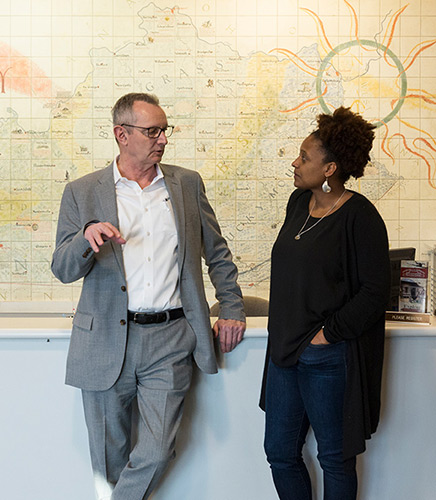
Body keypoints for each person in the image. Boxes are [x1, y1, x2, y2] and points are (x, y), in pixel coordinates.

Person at [51, 92, 246, 500]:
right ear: (122, 134)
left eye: (164, 130)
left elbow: (218, 252)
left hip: (170, 338)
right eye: (152, 131)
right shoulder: (82, 191)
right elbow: (63, 269)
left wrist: (231, 306)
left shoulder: (185, 184)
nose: (162, 139)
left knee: (156, 452)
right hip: (104, 338)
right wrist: (86, 240)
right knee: (108, 459)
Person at [260, 107, 390, 499]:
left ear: (330, 168)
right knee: (280, 452)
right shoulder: (298, 204)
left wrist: (327, 336)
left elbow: (374, 292)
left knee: (334, 458)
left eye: (304, 157)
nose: (295, 163)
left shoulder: (360, 217)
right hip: (283, 351)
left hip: (326, 356)